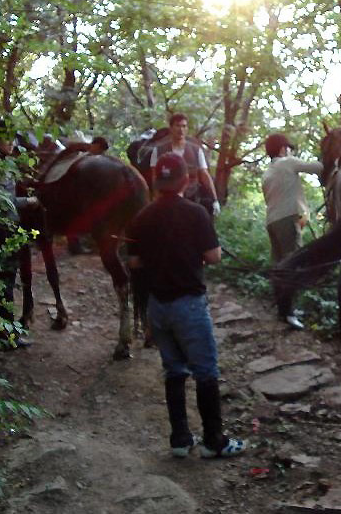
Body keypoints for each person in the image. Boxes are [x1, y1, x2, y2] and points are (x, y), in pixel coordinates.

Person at [126, 152, 246, 459]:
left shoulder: (141, 217)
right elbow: (214, 256)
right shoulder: (196, 213)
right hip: (189, 304)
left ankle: (180, 438)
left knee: (173, 370)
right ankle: (213, 440)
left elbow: (135, 261)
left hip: (157, 306)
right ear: (186, 180)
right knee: (205, 371)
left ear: (157, 181)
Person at [0, 120, 40, 349]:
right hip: (3, 228)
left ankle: (4, 331)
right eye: (7, 139)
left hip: (3, 227)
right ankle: (5, 335)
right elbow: (2, 202)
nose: (13, 143)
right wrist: (29, 201)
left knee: (4, 280)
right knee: (3, 281)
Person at [261, 132, 323, 329]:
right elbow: (318, 168)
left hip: (272, 221)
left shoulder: (267, 173)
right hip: (287, 220)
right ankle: (288, 313)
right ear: (282, 149)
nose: (288, 150)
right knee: (292, 266)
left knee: (280, 266)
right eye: (287, 147)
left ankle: (284, 309)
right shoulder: (287, 163)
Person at [150, 113, 220, 217]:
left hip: (191, 199)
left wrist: (215, 200)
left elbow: (204, 175)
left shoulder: (196, 150)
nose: (181, 129)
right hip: (167, 201)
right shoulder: (159, 150)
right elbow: (154, 176)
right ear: (171, 128)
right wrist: (155, 198)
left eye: (184, 126)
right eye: (178, 126)